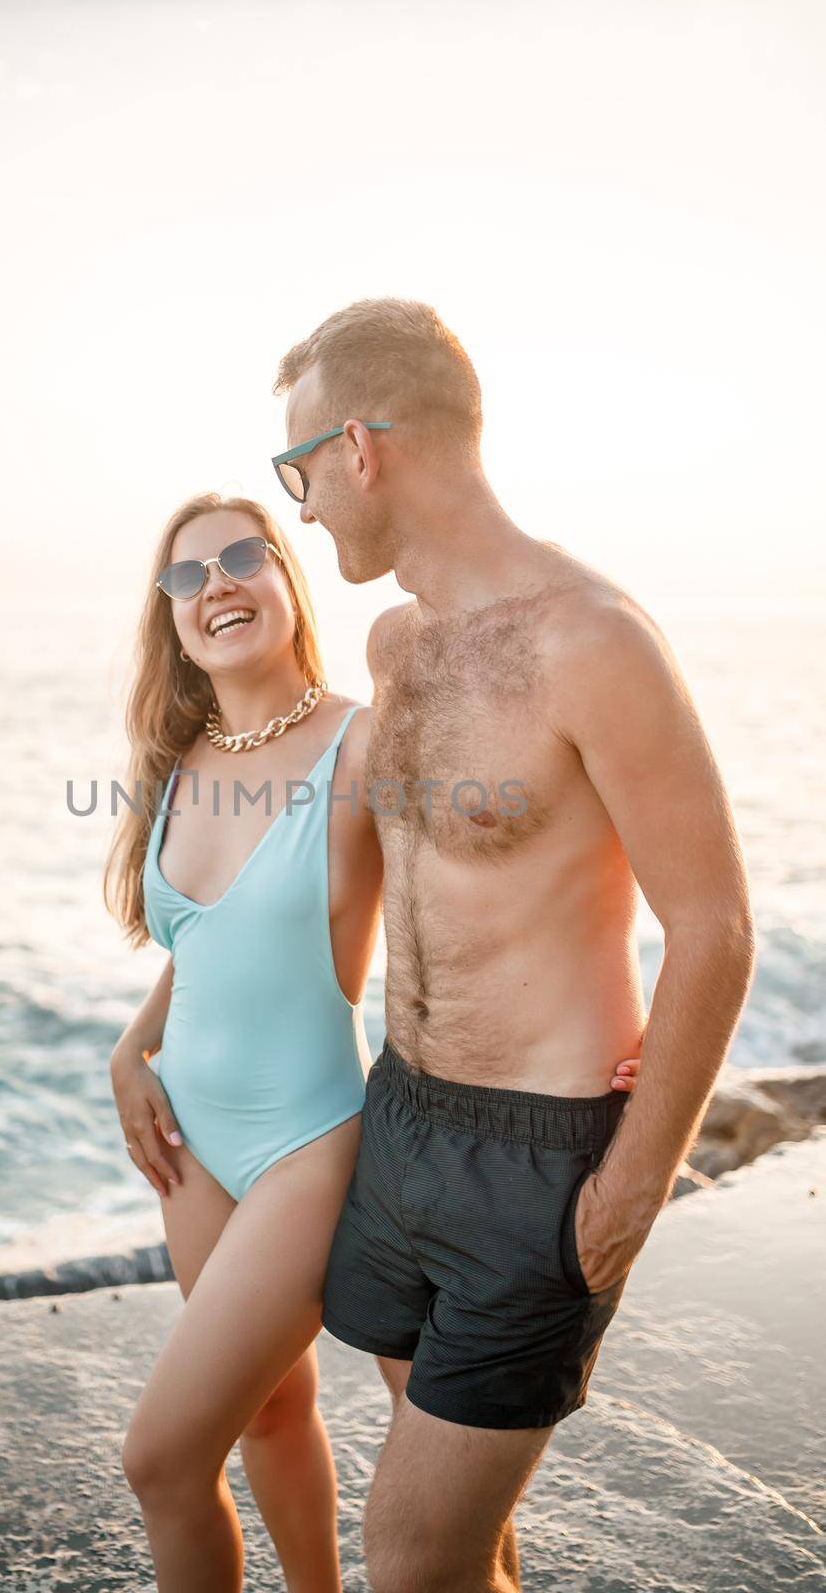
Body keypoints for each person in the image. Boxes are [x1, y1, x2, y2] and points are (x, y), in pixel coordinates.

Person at [270, 297, 757, 1593]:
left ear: (361, 449)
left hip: (535, 1161)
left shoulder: (588, 642)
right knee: (464, 1544)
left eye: (296, 466)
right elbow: (354, 893)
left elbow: (710, 927)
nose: (299, 505)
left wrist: (631, 1187)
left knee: (407, 1553)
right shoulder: (398, 644)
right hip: (401, 1126)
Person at [103, 490, 643, 1593]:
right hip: (189, 1148)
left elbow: (499, 876)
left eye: (241, 558)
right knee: (267, 1412)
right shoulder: (181, 759)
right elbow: (207, 939)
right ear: (168, 621)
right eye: (186, 577)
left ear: (284, 583)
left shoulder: (363, 739)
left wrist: (602, 1030)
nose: (216, 587)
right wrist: (130, 1048)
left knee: (159, 1458)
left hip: (307, 1146)